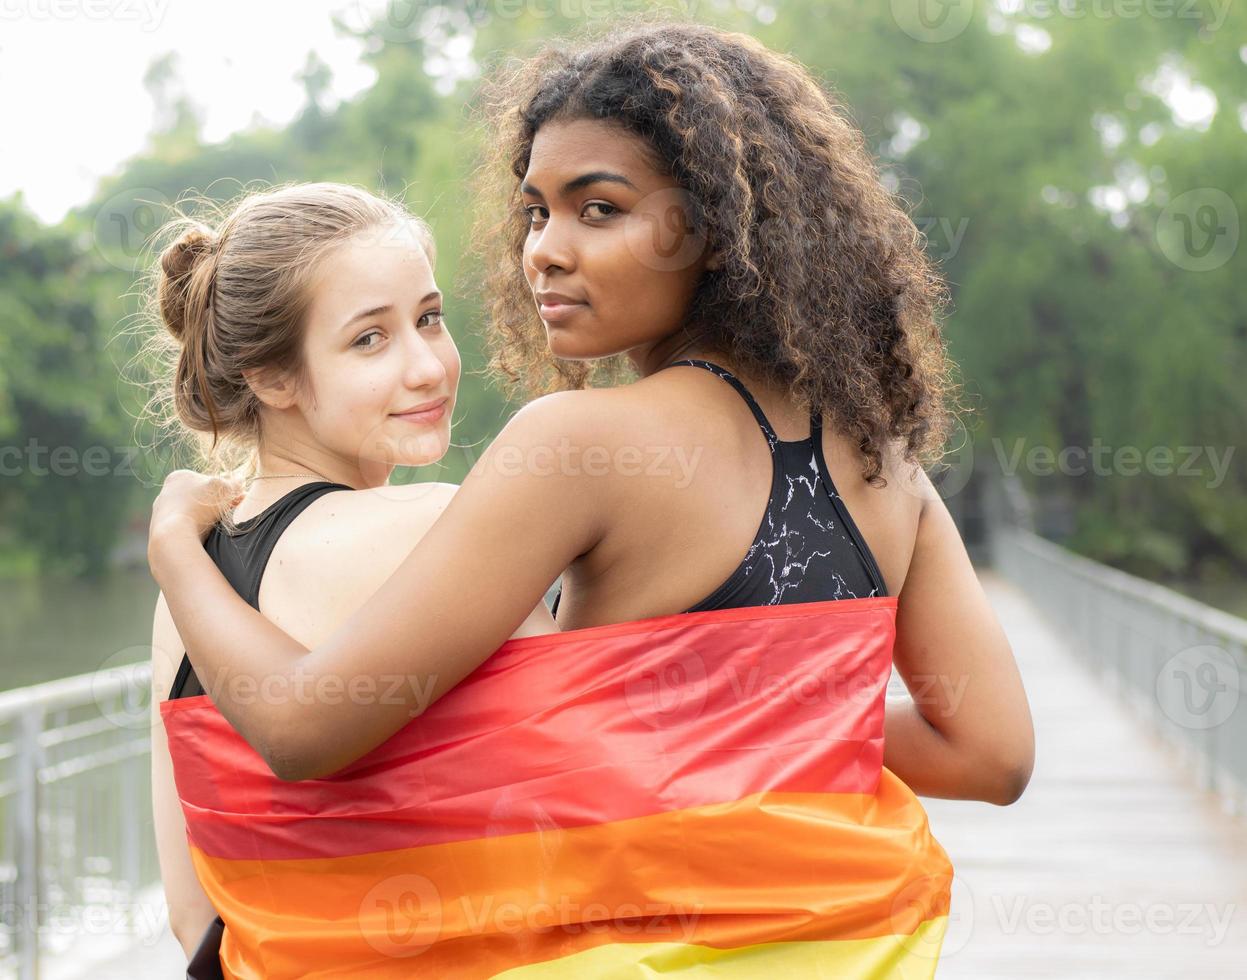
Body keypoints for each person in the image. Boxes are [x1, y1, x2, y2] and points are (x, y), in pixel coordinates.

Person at [148, 23, 1034, 976]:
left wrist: (176, 551)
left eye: (597, 211)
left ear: (712, 226)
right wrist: (765, 710)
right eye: (534, 213)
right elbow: (988, 752)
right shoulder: (881, 454)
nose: (544, 253)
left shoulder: (575, 445)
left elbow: (298, 727)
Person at [145, 182, 555, 974]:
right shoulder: (437, 526)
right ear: (272, 378)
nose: (429, 366)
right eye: (370, 340)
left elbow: (190, 909)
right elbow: (601, 792)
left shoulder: (187, 593)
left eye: (428, 319)